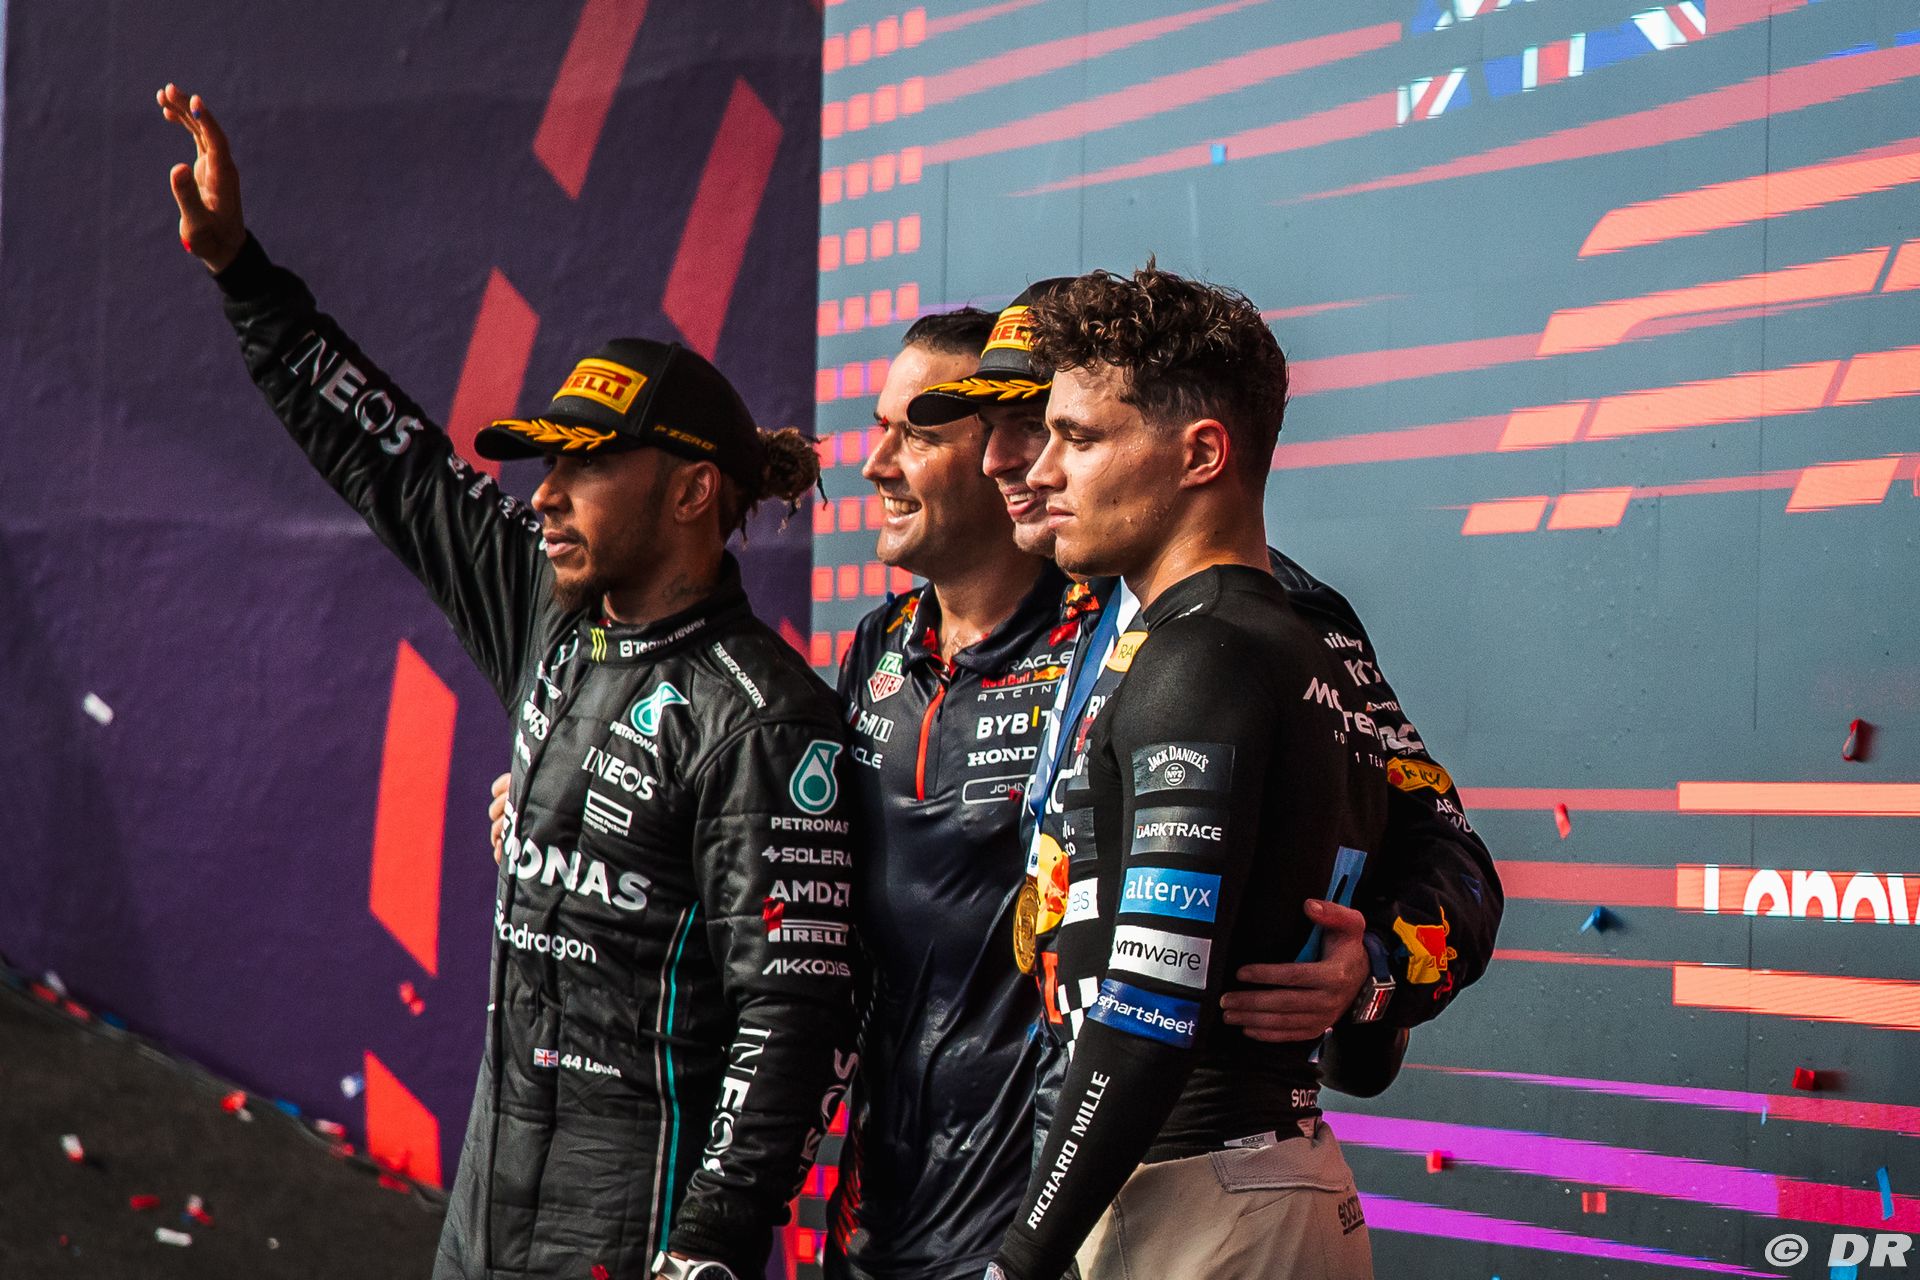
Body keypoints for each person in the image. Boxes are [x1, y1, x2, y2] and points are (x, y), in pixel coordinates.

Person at [159, 85, 860, 1280]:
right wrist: (243, 274)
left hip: (632, 1227)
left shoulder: (762, 718)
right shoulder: (550, 610)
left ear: (693, 490)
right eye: (544, 465)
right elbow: (392, 458)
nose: (546, 494)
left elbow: (793, 1018)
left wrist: (705, 1247)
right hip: (485, 1206)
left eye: (584, 466)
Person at [983, 264, 1415, 1280]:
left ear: (1202, 454)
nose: (1041, 468)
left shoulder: (1205, 653)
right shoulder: (1248, 639)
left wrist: (1019, 1259)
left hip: (1204, 1190)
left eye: (1079, 437)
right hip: (1235, 1180)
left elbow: (1147, 1013)